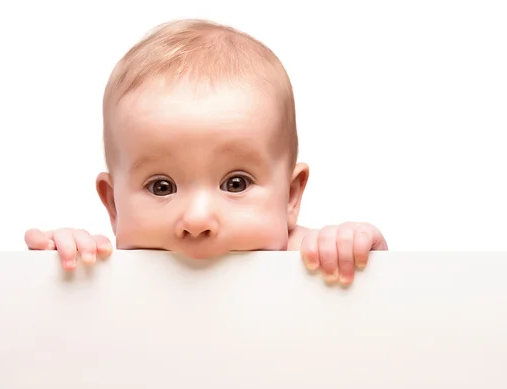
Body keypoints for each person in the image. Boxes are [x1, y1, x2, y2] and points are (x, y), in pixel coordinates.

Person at [24, 19, 388, 285]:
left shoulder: (307, 257)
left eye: (235, 183)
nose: (197, 220)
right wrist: (58, 271)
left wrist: (351, 250)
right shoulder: (103, 270)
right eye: (161, 187)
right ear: (114, 205)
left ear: (291, 196)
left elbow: (385, 306)